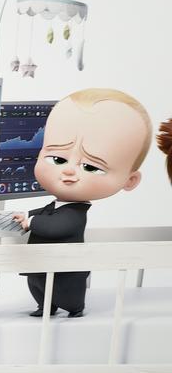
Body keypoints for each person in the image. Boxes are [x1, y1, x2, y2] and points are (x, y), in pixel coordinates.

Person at [11, 88, 152, 317]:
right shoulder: (59, 205)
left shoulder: (75, 213)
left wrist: (31, 221)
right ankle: (44, 306)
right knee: (38, 285)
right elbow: (48, 213)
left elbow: (58, 227)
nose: (68, 171)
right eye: (57, 159)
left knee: (64, 291)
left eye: (90, 167)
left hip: (63, 269)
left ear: (130, 180)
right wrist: (26, 214)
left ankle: (75, 309)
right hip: (41, 265)